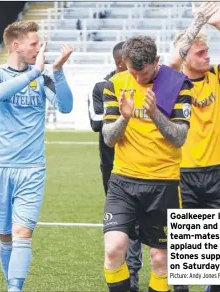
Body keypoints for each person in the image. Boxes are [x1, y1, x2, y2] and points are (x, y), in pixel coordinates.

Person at [0, 20, 74, 292]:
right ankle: (11, 283)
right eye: (34, 44)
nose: (39, 47)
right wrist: (36, 73)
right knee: (6, 236)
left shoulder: (42, 78)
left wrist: (57, 71)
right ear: (16, 45)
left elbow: (65, 106)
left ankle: (15, 288)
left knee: (23, 234)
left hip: (32, 168)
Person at [169, 2, 220, 292]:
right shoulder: (174, 83)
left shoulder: (216, 77)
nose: (207, 56)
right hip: (183, 175)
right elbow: (171, 62)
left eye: (207, 52)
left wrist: (218, 25)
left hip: (216, 173)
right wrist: (196, 26)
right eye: (200, 53)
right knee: (185, 252)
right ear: (186, 57)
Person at [101, 35, 192, 292]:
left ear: (157, 61)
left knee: (160, 259)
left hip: (163, 184)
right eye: (133, 72)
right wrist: (125, 118)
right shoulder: (115, 84)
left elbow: (179, 138)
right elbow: (109, 138)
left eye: (144, 73)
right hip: (123, 182)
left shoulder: (178, 84)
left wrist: (154, 115)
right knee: (113, 249)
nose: (139, 79)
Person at [88, 41, 143, 292]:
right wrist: (122, 111)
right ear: (120, 62)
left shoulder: (145, 83)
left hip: (149, 164)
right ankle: (131, 274)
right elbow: (97, 123)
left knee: (152, 223)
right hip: (113, 166)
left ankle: (154, 275)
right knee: (125, 224)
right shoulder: (102, 86)